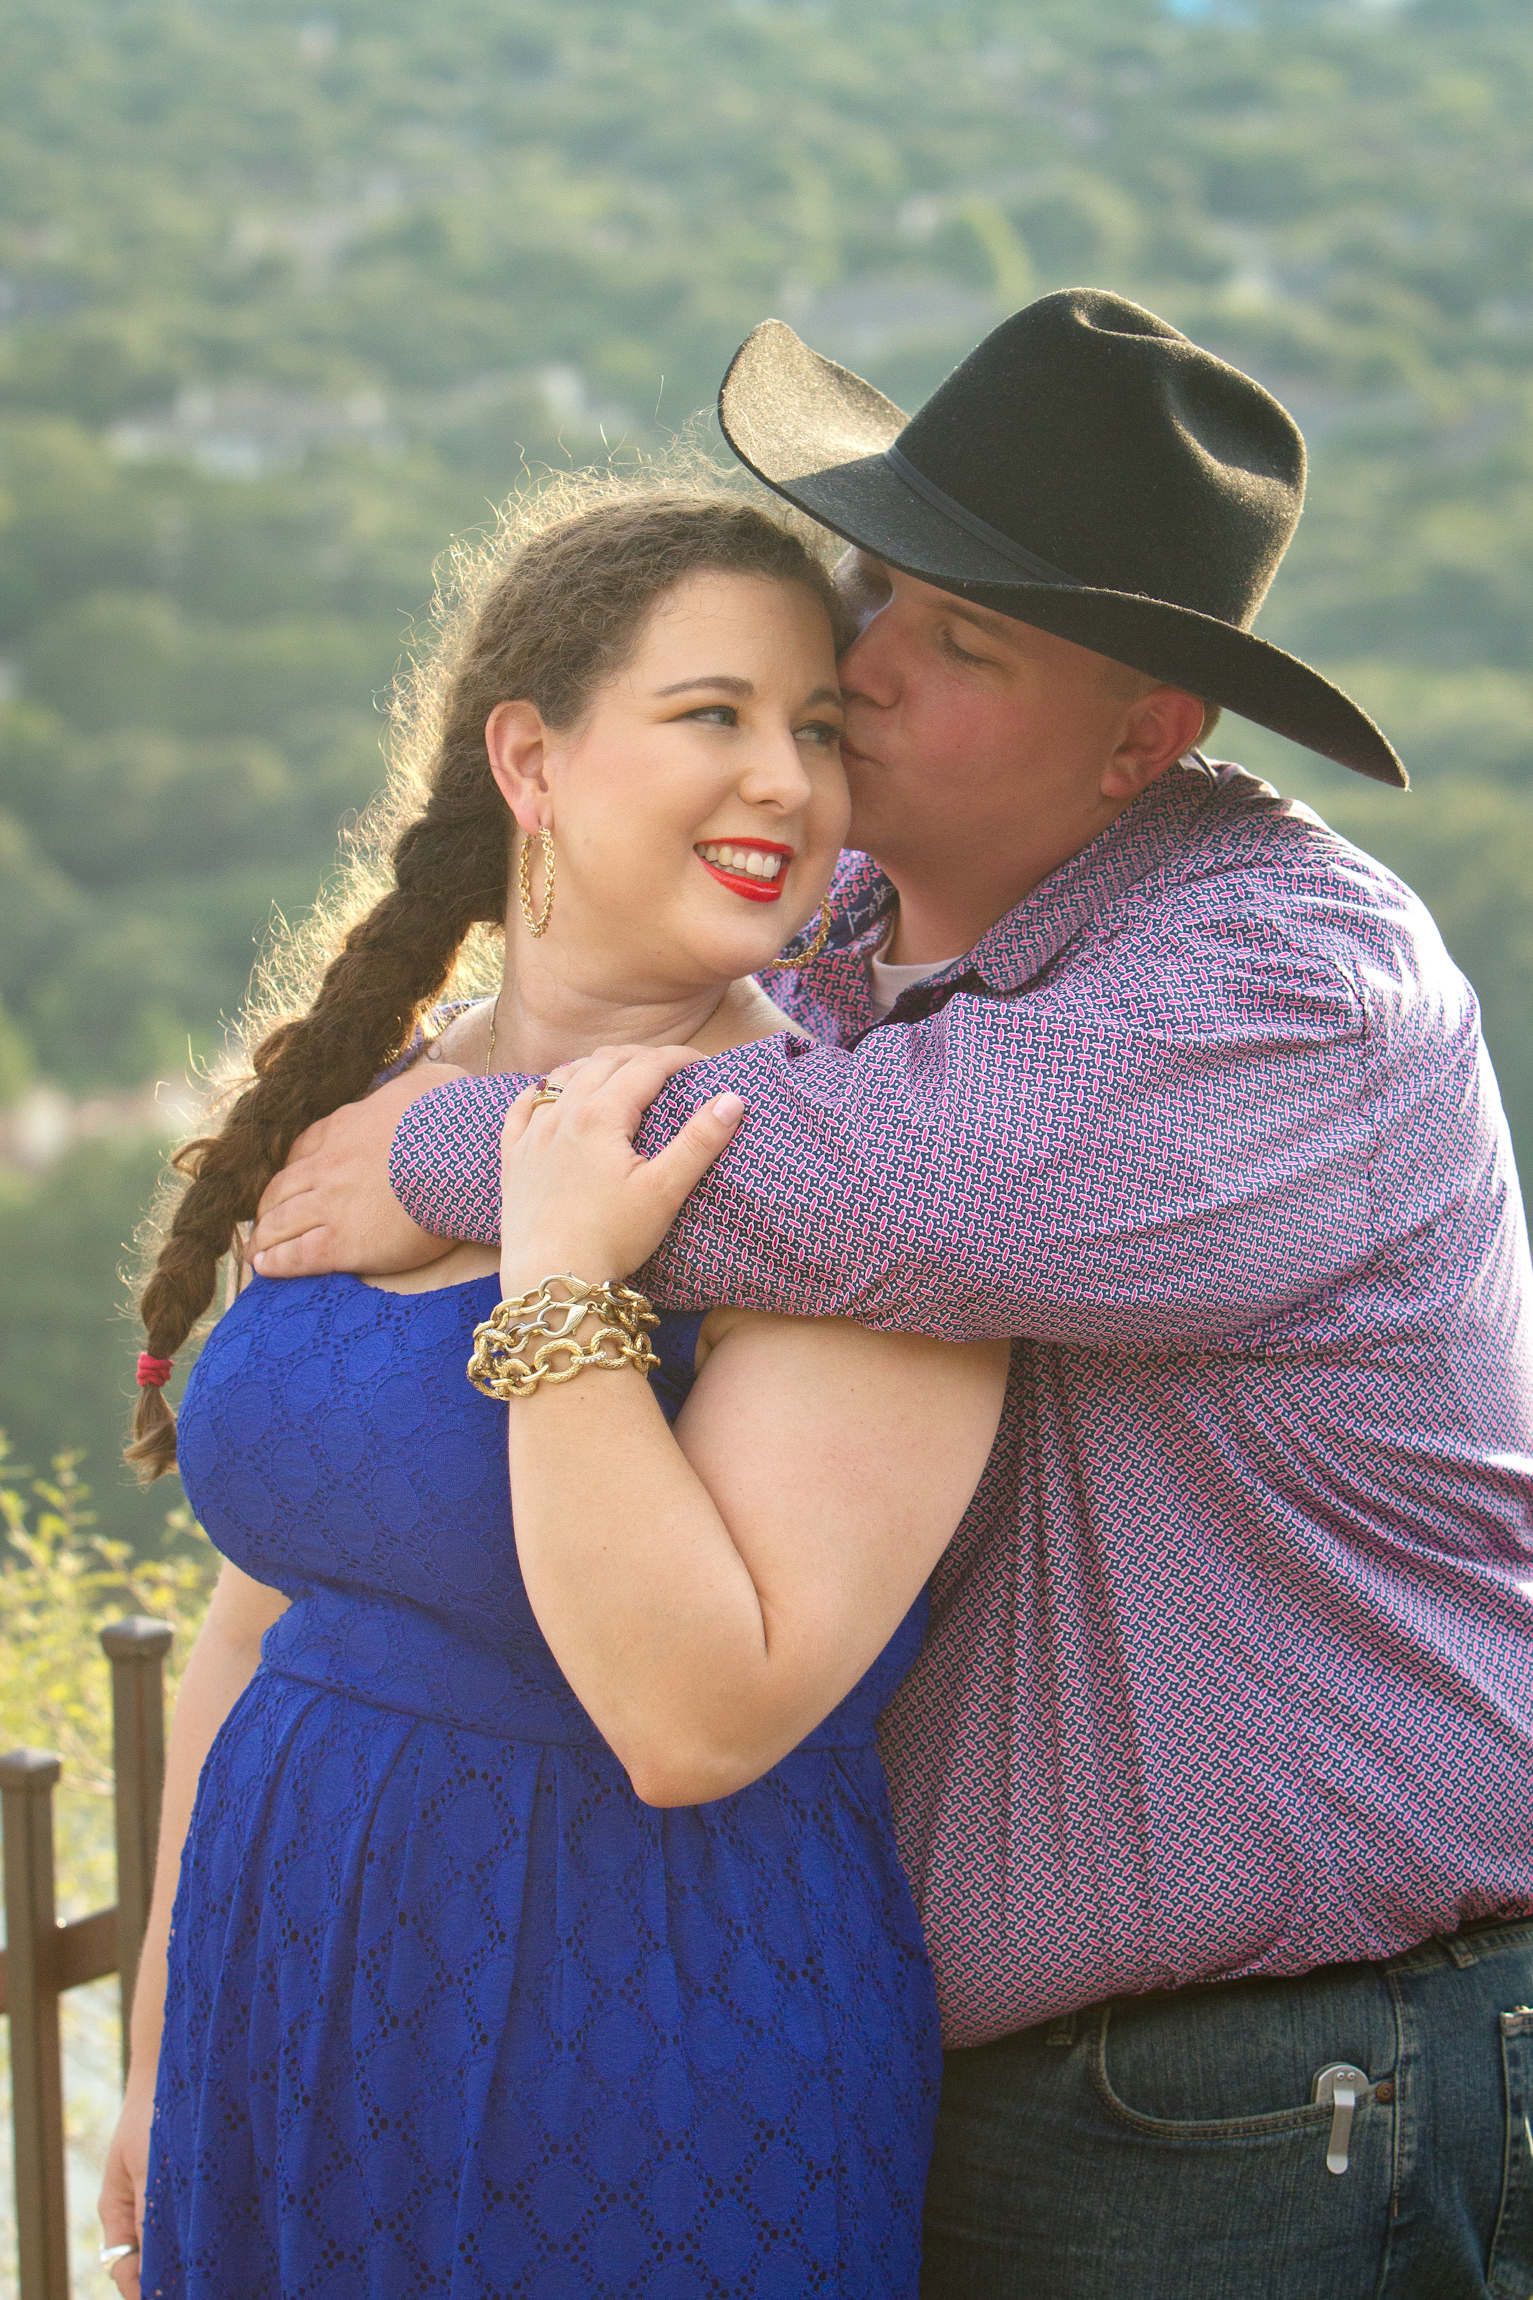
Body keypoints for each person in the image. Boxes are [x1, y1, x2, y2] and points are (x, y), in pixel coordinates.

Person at [248, 290, 1533, 2300]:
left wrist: (445, 1155)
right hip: (1024, 2074)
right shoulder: (851, 924)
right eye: (874, 593)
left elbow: (907, 1187)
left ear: (1142, 740)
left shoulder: (1287, 977)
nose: (859, 665)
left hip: (1277, 2088)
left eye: (964, 644)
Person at [97, 485, 1009, 2299]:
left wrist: (561, 1282)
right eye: (713, 714)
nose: (785, 782)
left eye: (818, 730)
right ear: (530, 758)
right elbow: (260, 1613)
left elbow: (703, 1724)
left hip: (647, 2045)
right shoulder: (374, 1113)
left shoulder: (856, 1179)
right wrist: (155, 2042)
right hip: (285, 2019)